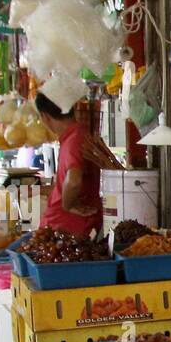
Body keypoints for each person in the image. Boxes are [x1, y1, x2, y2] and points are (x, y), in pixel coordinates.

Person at [34, 93, 101, 236]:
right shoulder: (76, 135)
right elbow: (67, 182)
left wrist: (67, 205)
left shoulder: (74, 140)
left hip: (66, 231)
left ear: (45, 116)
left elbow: (74, 181)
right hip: (64, 230)